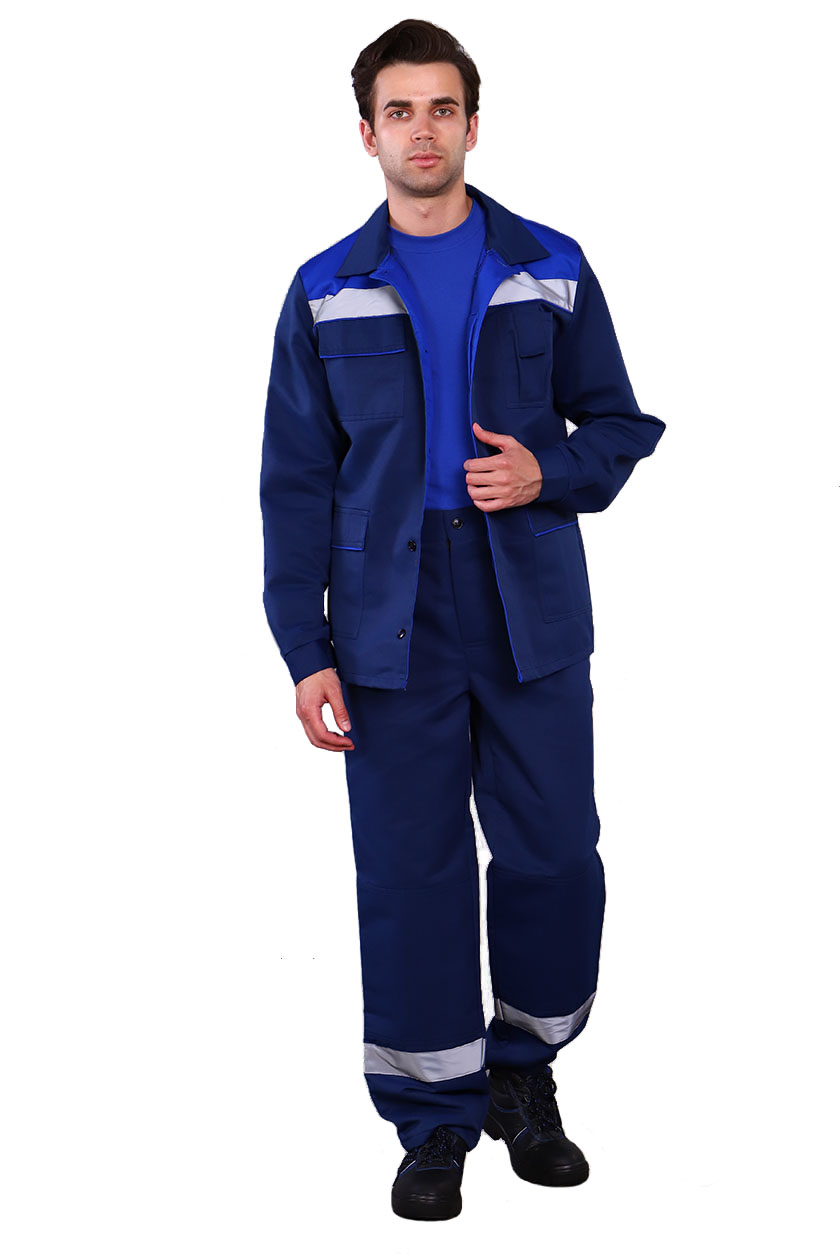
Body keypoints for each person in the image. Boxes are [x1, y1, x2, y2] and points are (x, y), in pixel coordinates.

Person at [259, 18, 665, 1221]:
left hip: (524, 594)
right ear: (368, 134)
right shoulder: (325, 289)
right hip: (387, 615)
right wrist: (304, 648)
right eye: (400, 111)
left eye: (443, 108)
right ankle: (434, 1117)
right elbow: (294, 482)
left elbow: (620, 424)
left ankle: (523, 1074)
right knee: (411, 869)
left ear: (473, 125)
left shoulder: (550, 266)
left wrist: (548, 470)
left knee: (555, 852)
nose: (422, 130)